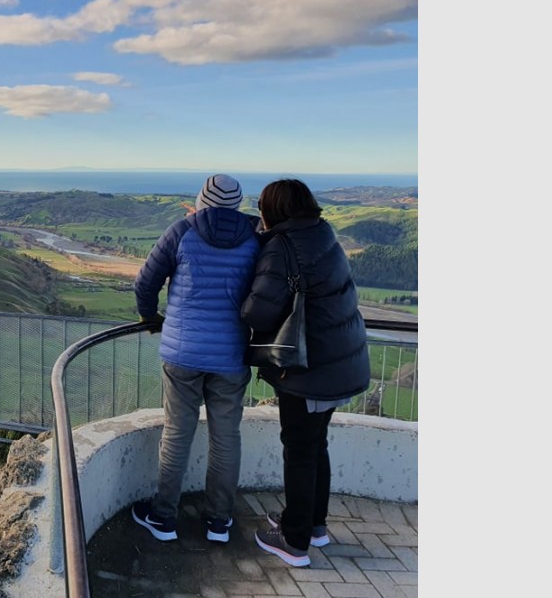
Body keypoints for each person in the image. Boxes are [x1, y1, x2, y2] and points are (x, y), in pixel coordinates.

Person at [240, 178, 371, 568]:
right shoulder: (321, 233)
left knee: (299, 449)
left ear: (274, 211)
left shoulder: (282, 247)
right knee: (316, 444)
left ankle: (293, 541)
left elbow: (258, 310)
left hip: (308, 368)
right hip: (340, 362)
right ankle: (314, 524)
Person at [130, 173, 260, 544]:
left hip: (182, 353)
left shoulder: (181, 230)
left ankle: (164, 517)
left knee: (177, 433)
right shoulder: (254, 238)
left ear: (201, 200)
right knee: (226, 438)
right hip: (232, 354)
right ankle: (219, 521)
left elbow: (145, 283)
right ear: (237, 204)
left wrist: (150, 318)